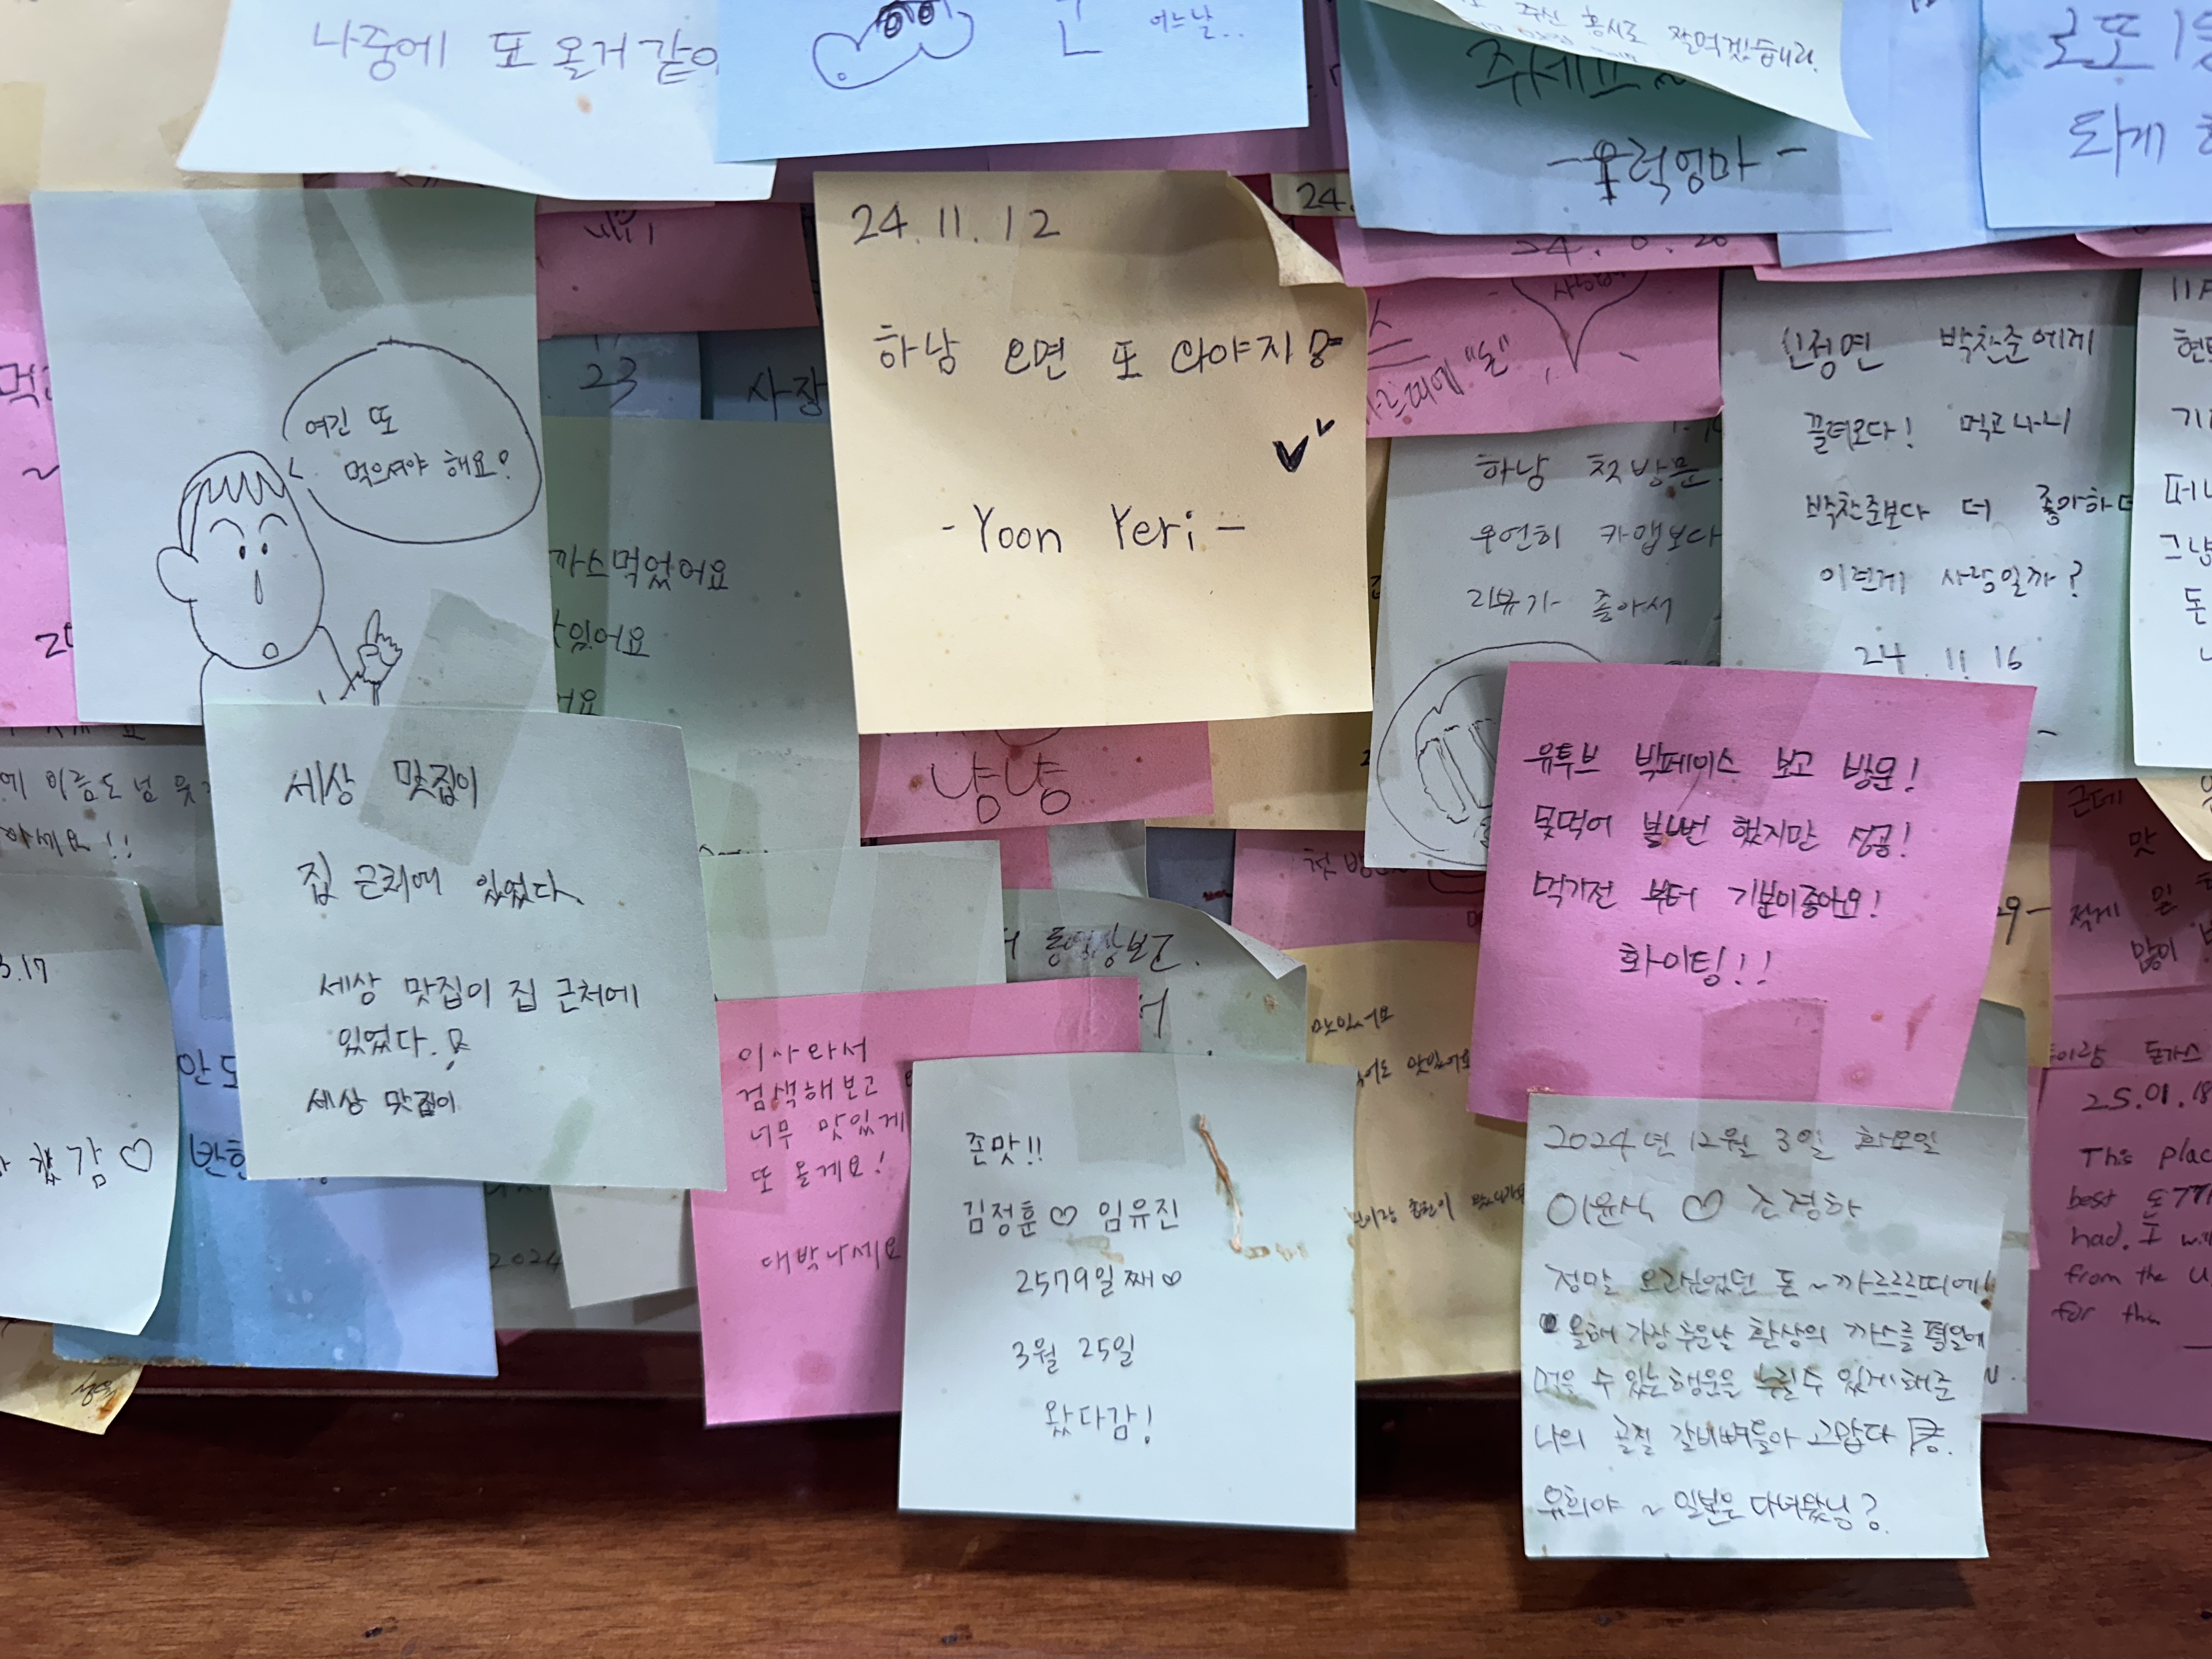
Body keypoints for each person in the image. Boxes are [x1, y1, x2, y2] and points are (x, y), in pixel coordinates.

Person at [156, 452, 402, 709]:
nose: (258, 580)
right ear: (184, 577)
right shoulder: (217, 677)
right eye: (240, 552)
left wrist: (371, 677)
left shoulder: (317, 649)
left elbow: (345, 716)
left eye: (268, 547)